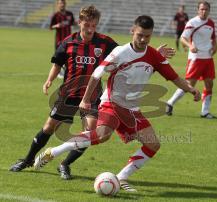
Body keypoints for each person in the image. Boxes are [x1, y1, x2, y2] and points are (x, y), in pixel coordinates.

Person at [33, 15, 200, 192]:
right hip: (111, 103)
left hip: (132, 109)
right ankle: (54, 152)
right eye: (140, 35)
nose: (143, 39)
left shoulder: (154, 56)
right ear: (132, 31)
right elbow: (98, 73)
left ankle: (121, 178)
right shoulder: (120, 52)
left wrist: (192, 90)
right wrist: (86, 99)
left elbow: (175, 78)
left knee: (153, 144)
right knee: (102, 135)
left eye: (147, 36)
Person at [9, 6, 176, 180]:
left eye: (94, 25)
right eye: (87, 24)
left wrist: (155, 54)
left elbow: (130, 55)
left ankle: (65, 164)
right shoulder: (69, 41)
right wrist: (49, 79)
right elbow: (58, 63)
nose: (90, 28)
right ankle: (28, 160)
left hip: (93, 95)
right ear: (79, 22)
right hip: (69, 93)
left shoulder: (105, 42)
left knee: (90, 131)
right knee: (49, 127)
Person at [166, 1, 217, 119]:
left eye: (206, 9)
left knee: (209, 84)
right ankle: (170, 103)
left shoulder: (211, 23)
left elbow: (213, 38)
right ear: (198, 10)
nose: (204, 11)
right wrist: (190, 46)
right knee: (189, 85)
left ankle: (205, 112)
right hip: (196, 59)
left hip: (208, 58)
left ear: (209, 11)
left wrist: (215, 47)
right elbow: (183, 38)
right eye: (202, 9)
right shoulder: (192, 22)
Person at [50, 0, 76, 78]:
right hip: (59, 40)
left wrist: (79, 22)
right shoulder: (55, 15)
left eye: (63, 3)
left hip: (69, 40)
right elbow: (51, 27)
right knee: (59, 56)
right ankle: (58, 72)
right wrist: (56, 25)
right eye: (60, 3)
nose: (62, 5)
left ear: (65, 4)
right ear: (57, 5)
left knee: (69, 56)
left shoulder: (69, 14)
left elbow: (72, 22)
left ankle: (67, 71)